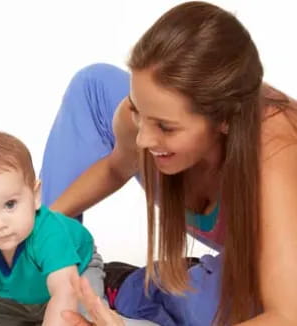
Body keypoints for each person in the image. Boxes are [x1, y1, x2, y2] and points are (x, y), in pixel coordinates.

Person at [40, 2, 297, 325]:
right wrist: (39, 230)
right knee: (92, 86)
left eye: (164, 126)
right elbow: (116, 167)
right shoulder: (142, 123)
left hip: (280, 253)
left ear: (225, 120)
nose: (143, 139)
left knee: (215, 311)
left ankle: (140, 287)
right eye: (137, 110)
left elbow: (287, 316)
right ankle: (46, 276)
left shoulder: (277, 156)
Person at [0, 130, 106, 326]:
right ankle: (30, 308)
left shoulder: (49, 233)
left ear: (36, 196)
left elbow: (65, 289)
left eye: (10, 204)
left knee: (87, 319)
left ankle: (112, 280)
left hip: (76, 272)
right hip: (20, 292)